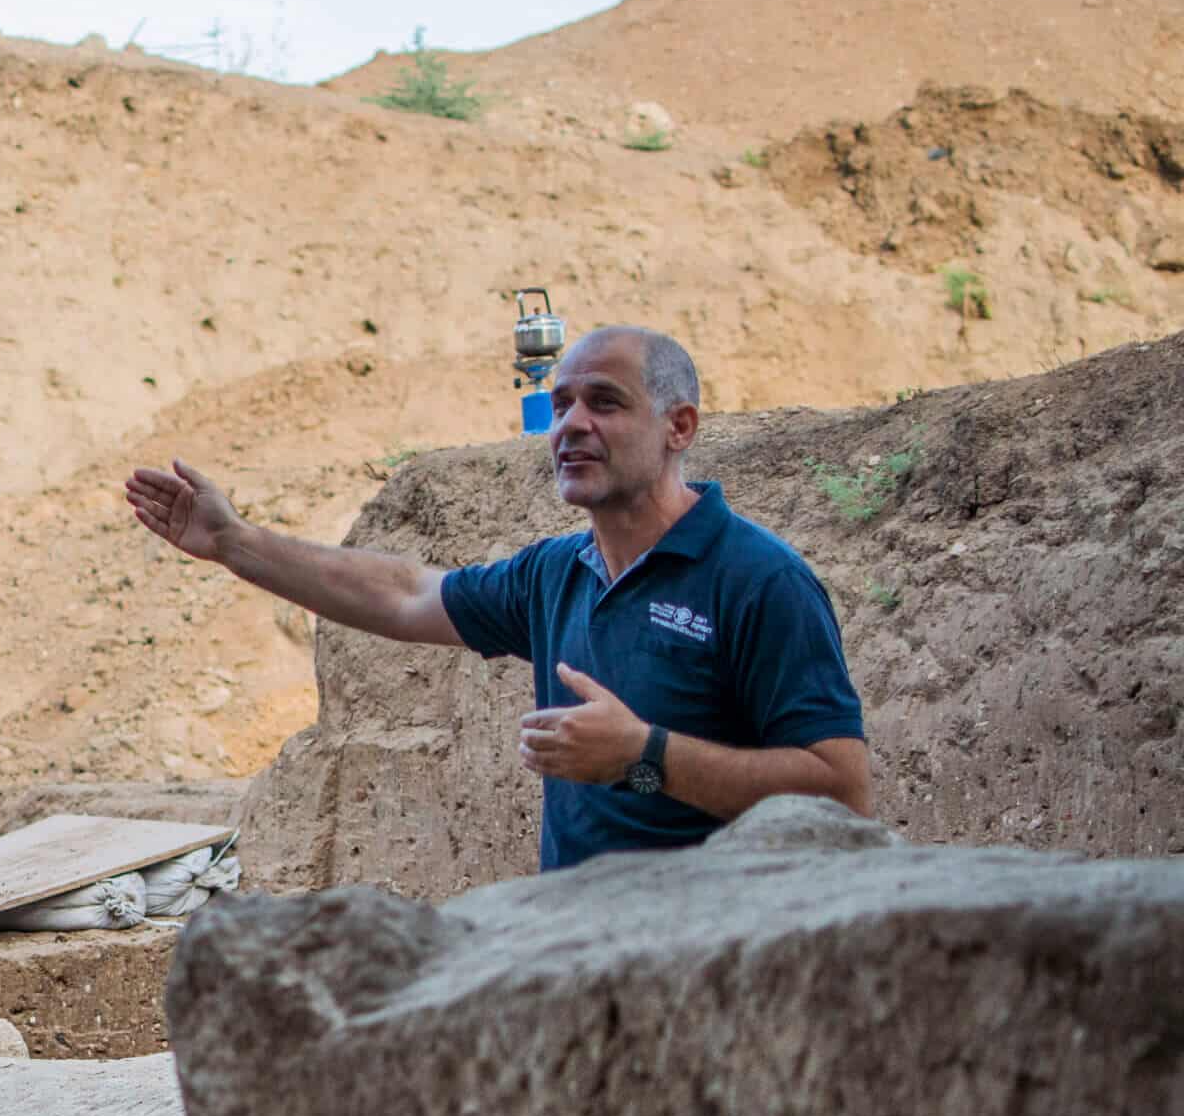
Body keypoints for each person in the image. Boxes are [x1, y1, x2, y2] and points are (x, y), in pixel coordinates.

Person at [125, 325, 869, 870]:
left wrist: (642, 756)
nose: (571, 423)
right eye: (562, 402)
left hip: (725, 977)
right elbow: (405, 595)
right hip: (583, 970)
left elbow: (842, 793)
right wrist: (234, 543)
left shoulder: (760, 580)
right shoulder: (555, 573)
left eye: (604, 402)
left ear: (679, 427)